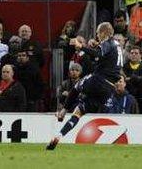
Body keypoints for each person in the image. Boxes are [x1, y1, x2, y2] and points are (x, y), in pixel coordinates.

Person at [47, 22, 123, 150]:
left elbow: (97, 54)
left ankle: (62, 112)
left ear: (104, 32)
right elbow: (102, 57)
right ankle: (58, 136)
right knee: (79, 112)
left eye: (98, 33)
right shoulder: (117, 45)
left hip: (99, 79)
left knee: (77, 86)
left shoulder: (108, 42)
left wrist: (81, 46)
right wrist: (95, 46)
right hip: (109, 89)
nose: (97, 36)